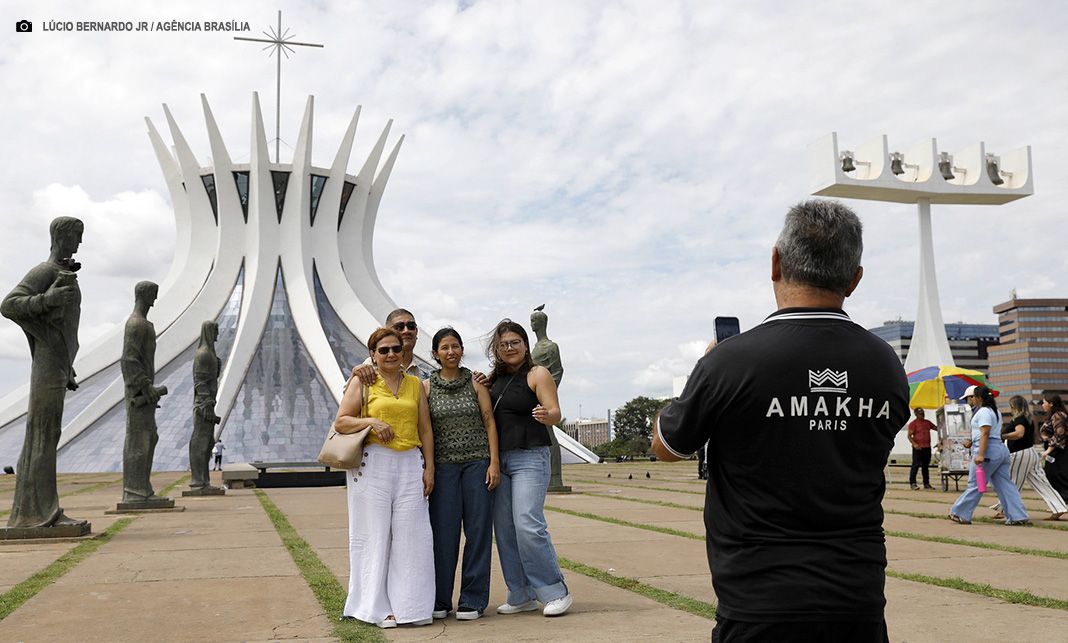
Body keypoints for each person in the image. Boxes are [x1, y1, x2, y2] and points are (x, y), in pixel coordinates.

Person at [651, 199, 909, 642]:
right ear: (854, 278)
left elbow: (667, 446)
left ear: (775, 261)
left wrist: (702, 375)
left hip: (759, 600)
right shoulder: (885, 364)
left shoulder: (732, 361)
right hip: (858, 596)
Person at [337, 327, 435, 628]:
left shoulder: (415, 384)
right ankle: (374, 608)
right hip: (373, 463)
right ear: (372, 354)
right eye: (384, 350)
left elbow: (425, 429)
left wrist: (429, 467)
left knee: (413, 537)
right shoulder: (363, 380)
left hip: (410, 463)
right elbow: (341, 421)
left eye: (396, 349)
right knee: (374, 536)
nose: (391, 354)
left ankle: (412, 606)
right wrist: (371, 422)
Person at [1, 216, 88, 529]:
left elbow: (60, 329)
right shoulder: (45, 271)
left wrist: (67, 367)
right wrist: (48, 298)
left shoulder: (63, 273)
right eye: (76, 237)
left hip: (58, 365)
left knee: (48, 434)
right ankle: (35, 514)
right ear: (61, 237)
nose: (79, 244)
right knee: (41, 433)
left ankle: (42, 509)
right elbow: (9, 304)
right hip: (47, 366)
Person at [485, 319, 572, 617]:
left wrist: (547, 415)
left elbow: (556, 411)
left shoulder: (537, 373)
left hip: (530, 458)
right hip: (500, 461)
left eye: (515, 342)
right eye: (504, 344)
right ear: (496, 348)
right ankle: (520, 593)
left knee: (527, 523)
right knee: (506, 530)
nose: (509, 348)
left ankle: (554, 590)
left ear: (525, 345)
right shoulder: (492, 379)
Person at [423, 328, 500, 621]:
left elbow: (489, 422)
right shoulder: (426, 387)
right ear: (435, 353)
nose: (451, 352)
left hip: (477, 464)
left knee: (479, 532)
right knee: (443, 534)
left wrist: (494, 463)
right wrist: (429, 467)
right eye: (445, 347)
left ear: (461, 350)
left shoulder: (475, 383)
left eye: (455, 346)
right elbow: (425, 430)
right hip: (444, 468)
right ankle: (440, 599)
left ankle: (472, 599)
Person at [948, 385, 1030, 525]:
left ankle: (960, 512)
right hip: (999, 450)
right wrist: (972, 442)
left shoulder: (984, 412)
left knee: (976, 484)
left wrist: (980, 454)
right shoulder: (995, 411)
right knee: (1005, 485)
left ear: (976, 398)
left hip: (988, 452)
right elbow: (988, 434)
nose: (968, 402)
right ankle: (1018, 516)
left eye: (969, 399)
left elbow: (985, 433)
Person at [121, 281, 169, 503]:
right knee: (139, 440)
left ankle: (143, 488)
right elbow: (129, 359)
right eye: (153, 294)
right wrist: (144, 386)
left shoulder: (146, 325)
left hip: (146, 394)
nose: (155, 299)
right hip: (138, 395)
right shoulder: (136, 324)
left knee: (151, 437)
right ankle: (134, 491)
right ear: (143, 294)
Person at [990, 395, 1065, 520]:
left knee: (1011, 483)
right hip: (1030, 452)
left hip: (1020, 454)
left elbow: (1019, 434)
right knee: (1041, 482)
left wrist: (1002, 436)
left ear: (1014, 406)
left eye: (1011, 406)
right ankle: (1059, 507)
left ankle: (1004, 509)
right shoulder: (1027, 418)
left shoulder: (1019, 418)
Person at [351, 308, 429, 386]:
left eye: (411, 326)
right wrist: (354, 376)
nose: (406, 331)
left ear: (416, 332)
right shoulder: (369, 366)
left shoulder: (428, 373)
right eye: (399, 327)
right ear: (387, 332)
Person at [1039, 392, 1068, 505]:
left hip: (1059, 451)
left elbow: (1059, 435)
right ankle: (1060, 503)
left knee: (1057, 476)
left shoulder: (1058, 415)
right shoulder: (1055, 415)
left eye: (1044, 402)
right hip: (1056, 451)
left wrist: (1048, 451)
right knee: (1053, 476)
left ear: (1051, 404)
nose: (1042, 404)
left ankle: (1062, 503)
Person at [907, 408, 938, 490]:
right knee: (915, 465)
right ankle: (913, 483)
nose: (922, 415)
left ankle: (926, 483)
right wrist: (914, 444)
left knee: (925, 466)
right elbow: (909, 436)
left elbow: (936, 428)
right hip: (918, 448)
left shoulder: (927, 422)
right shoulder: (913, 424)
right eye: (920, 413)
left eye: (923, 413)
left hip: (927, 447)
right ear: (916, 414)